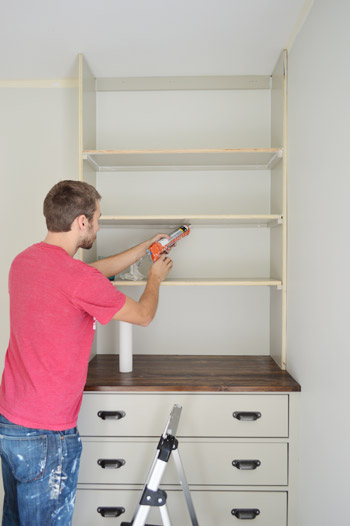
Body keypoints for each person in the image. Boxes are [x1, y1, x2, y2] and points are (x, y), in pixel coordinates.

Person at [0, 180, 173, 526]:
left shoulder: (25, 262)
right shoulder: (76, 279)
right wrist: (155, 277)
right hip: (48, 435)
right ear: (82, 222)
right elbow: (143, 315)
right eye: (97, 218)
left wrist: (144, 249)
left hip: (11, 422)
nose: (98, 224)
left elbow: (89, 275)